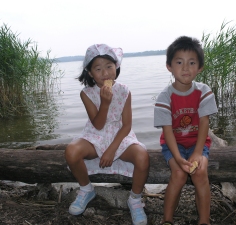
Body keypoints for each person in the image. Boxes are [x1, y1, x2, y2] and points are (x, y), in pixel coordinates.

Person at [65, 44, 149, 225]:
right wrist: (104, 103)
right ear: (90, 72)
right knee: (71, 151)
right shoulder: (86, 93)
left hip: (120, 135)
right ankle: (86, 189)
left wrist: (112, 150)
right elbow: (98, 124)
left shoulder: (124, 91)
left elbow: (127, 125)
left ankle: (134, 199)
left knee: (142, 157)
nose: (105, 73)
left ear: (116, 68)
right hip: (95, 135)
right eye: (98, 68)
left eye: (109, 67)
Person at [154, 36, 218, 225]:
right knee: (179, 174)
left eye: (191, 63)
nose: (185, 68)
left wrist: (198, 153)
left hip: (198, 142)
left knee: (200, 173)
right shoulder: (165, 97)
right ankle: (167, 220)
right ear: (169, 66)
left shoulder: (204, 91)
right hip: (173, 144)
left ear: (199, 68)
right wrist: (178, 157)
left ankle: (204, 221)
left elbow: (204, 123)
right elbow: (167, 132)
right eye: (179, 62)